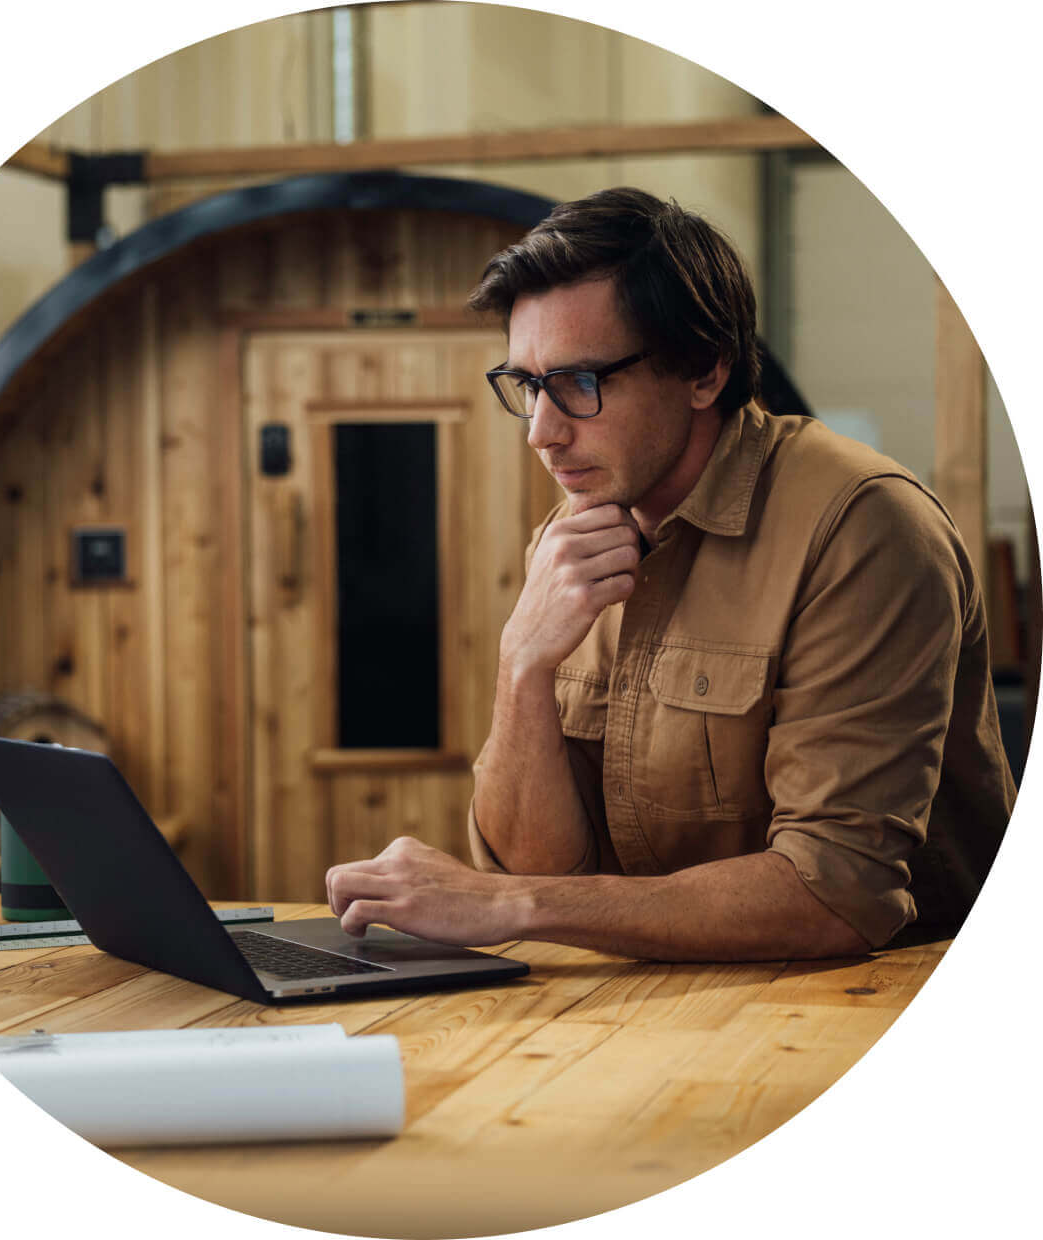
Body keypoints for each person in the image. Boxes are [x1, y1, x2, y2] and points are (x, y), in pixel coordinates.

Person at [325, 187, 1015, 961]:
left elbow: (834, 897)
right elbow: (541, 871)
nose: (542, 435)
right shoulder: (569, 536)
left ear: (704, 371)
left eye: (581, 384)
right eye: (527, 386)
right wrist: (522, 663)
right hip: (660, 999)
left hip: (881, 1007)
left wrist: (508, 902)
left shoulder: (863, 527)